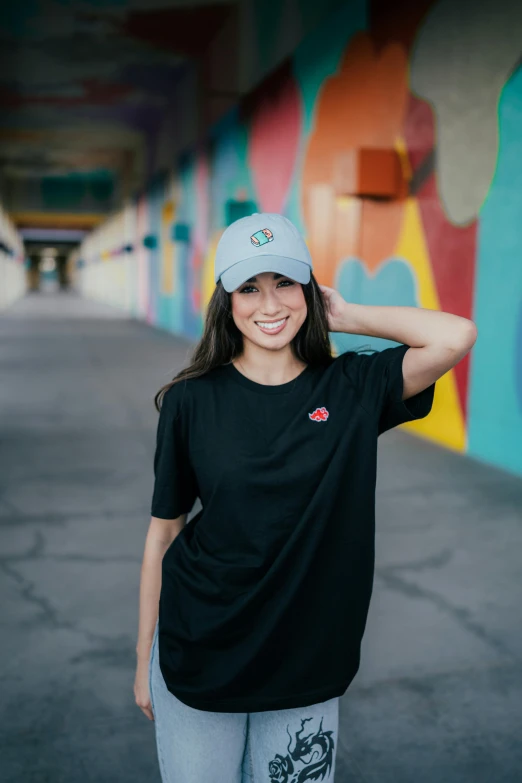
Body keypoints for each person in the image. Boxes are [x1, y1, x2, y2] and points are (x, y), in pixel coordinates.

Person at [134, 212, 476, 782]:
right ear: (227, 300)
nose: (269, 305)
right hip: (199, 646)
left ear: (308, 290)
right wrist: (142, 658)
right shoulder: (190, 400)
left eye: (284, 284)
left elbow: (455, 335)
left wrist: (347, 315)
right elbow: (163, 532)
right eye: (249, 288)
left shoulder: (351, 388)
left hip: (305, 659)